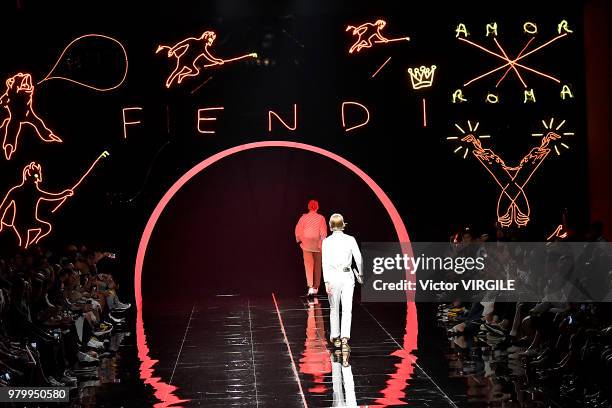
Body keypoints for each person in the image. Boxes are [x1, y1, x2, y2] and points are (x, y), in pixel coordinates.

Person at [322, 213, 362, 351]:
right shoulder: (350, 239)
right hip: (347, 276)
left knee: (334, 308)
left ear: (331, 226)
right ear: (343, 224)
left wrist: (326, 281)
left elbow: (325, 262)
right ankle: (345, 338)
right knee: (347, 308)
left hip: (333, 277)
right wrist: (361, 274)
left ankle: (336, 337)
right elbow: (359, 258)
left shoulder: (326, 241)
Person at [295, 200, 327, 297]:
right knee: (317, 265)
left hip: (307, 244)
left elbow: (298, 229)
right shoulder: (321, 218)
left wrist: (300, 240)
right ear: (317, 207)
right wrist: (322, 242)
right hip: (317, 245)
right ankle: (316, 287)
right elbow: (323, 232)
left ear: (308, 207)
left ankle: (310, 287)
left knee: (308, 265)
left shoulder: (303, 217)